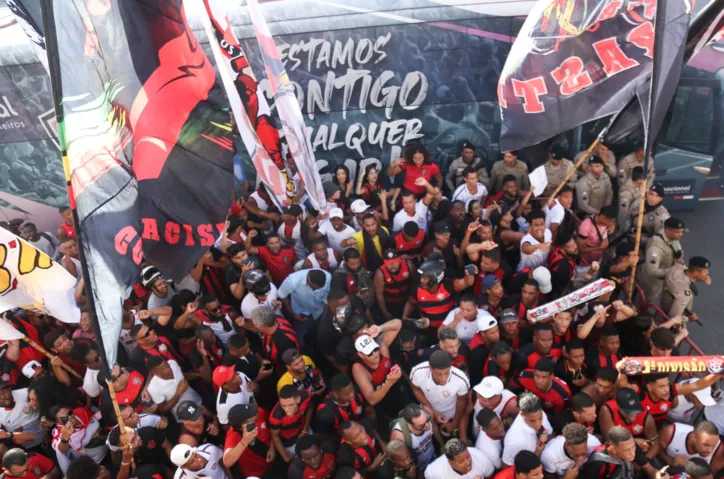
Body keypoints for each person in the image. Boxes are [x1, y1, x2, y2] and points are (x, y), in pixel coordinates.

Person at [410, 351, 471, 442]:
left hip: (453, 413)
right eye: (439, 374)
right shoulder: (418, 372)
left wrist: (455, 422)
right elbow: (415, 388)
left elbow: (462, 401)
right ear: (430, 368)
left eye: (447, 373)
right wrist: (432, 410)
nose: (443, 378)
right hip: (429, 414)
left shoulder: (461, 380)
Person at [637, 217, 686, 303]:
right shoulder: (655, 248)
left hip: (664, 274)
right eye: (677, 232)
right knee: (645, 299)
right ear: (667, 230)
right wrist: (673, 272)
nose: (681, 234)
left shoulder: (673, 238)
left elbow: (677, 250)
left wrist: (678, 260)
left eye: (682, 232)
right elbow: (652, 271)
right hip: (651, 281)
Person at [278, 269, 331, 346]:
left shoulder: (328, 278)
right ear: (309, 280)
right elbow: (282, 296)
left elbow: (327, 299)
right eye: (315, 287)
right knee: (299, 341)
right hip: (300, 314)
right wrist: (293, 315)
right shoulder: (292, 280)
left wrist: (325, 318)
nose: (317, 290)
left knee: (319, 336)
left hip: (319, 313)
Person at [223, 403, 275, 478]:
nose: (255, 412)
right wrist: (244, 441)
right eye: (251, 414)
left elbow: (273, 426)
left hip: (273, 461)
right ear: (243, 424)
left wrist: (272, 447)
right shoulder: (233, 435)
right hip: (257, 474)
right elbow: (227, 462)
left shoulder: (259, 412)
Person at [502, 393, 552, 467]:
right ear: (522, 414)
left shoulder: (538, 412)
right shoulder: (514, 442)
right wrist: (537, 453)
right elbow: (506, 467)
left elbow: (550, 434)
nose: (538, 424)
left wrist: (545, 439)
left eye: (540, 418)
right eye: (532, 421)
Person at [145, 356, 203, 420]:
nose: (170, 370)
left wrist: (199, 375)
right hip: (186, 415)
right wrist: (179, 393)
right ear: (154, 373)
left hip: (198, 401)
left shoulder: (172, 363)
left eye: (168, 366)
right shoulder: (153, 388)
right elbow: (163, 410)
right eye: (165, 370)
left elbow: (181, 374)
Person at [269, 385, 313, 464]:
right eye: (283, 405)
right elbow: (275, 437)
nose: (287, 409)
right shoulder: (276, 418)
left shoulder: (306, 396)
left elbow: (310, 407)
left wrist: (305, 429)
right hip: (290, 443)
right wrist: (286, 458)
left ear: (298, 399)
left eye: (291, 405)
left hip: (304, 430)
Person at [659, 420, 724, 471]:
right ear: (693, 437)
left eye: (713, 446)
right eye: (706, 445)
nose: (710, 450)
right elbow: (654, 447)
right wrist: (669, 460)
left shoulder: (719, 451)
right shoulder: (672, 432)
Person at [661, 256, 712, 320]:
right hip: (666, 321)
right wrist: (688, 319)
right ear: (695, 273)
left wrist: (703, 278)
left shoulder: (677, 268)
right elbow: (673, 317)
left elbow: (690, 276)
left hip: (663, 306)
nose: (708, 273)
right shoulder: (684, 294)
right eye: (705, 271)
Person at [390, 403, 437, 470]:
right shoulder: (399, 435)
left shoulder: (427, 411)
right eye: (421, 426)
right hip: (419, 467)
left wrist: (442, 445)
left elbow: (434, 427)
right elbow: (401, 460)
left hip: (433, 456)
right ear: (410, 424)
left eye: (427, 420)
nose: (428, 426)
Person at [374, 249, 416, 320]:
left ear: (399, 260)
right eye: (388, 263)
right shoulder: (380, 273)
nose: (392, 265)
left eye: (394, 262)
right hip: (392, 304)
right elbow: (379, 294)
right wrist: (385, 312)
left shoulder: (408, 265)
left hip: (408, 301)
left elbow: (416, 283)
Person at [425, 438, 495, 479]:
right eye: (461, 461)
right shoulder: (434, 471)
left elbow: (490, 476)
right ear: (450, 462)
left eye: (468, 457)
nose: (468, 462)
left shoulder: (480, 458)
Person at [632, 183, 670, 247]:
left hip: (644, 245)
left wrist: (641, 239)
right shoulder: (639, 203)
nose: (652, 198)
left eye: (657, 196)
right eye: (651, 194)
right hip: (629, 236)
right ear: (647, 193)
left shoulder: (662, 216)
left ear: (661, 199)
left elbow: (660, 240)